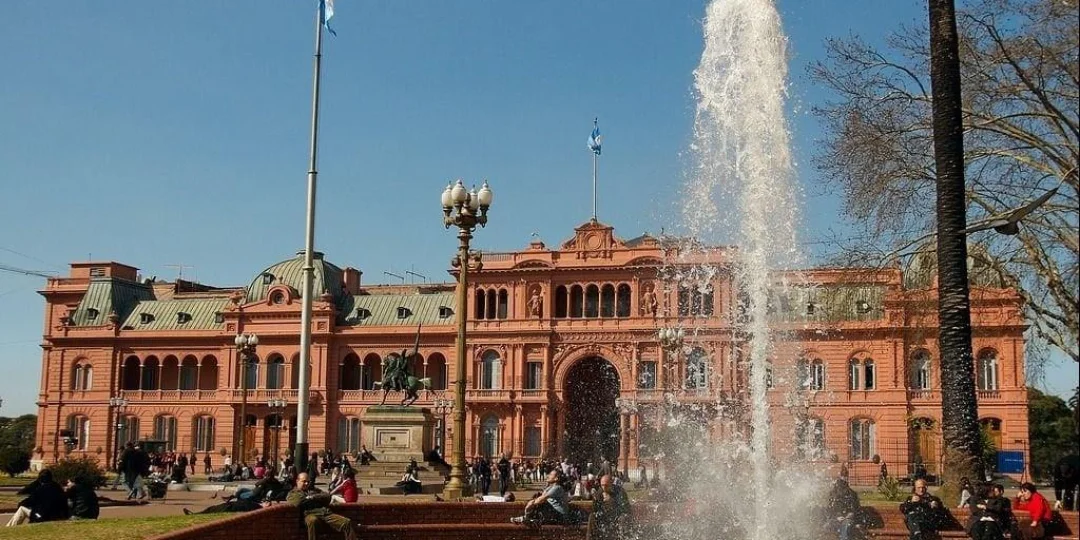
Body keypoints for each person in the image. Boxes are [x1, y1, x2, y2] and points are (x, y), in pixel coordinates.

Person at [287, 472, 357, 540]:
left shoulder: (313, 490)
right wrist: (318, 499)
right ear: (297, 481)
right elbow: (299, 502)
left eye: (308, 482)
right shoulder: (293, 493)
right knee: (312, 521)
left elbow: (328, 496)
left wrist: (313, 497)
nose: (306, 484)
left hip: (325, 513)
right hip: (309, 514)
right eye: (304, 481)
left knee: (347, 522)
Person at [591, 474, 631, 540]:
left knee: (623, 518)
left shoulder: (620, 491)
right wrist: (595, 500)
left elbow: (625, 508)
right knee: (592, 517)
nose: (604, 487)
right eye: (602, 485)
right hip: (605, 516)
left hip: (618, 516)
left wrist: (613, 501)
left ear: (611, 484)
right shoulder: (600, 492)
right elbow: (595, 509)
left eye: (606, 485)